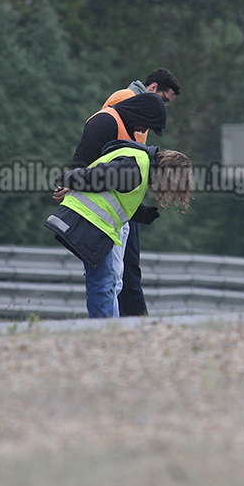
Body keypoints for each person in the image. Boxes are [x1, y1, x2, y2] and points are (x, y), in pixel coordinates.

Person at [55, 70, 182, 316]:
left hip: (109, 211)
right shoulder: (121, 103)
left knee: (117, 277)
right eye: (164, 100)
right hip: (97, 212)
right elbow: (101, 170)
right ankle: (116, 328)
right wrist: (71, 180)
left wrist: (137, 212)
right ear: (152, 89)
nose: (146, 129)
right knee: (107, 280)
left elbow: (119, 181)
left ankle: (122, 325)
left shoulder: (138, 124)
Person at [46, 140, 193, 318]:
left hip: (95, 224)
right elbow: (99, 176)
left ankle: (108, 327)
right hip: (88, 221)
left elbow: (113, 197)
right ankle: (105, 329)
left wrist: (141, 214)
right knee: (103, 283)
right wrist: (69, 179)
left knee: (107, 282)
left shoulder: (141, 167)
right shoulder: (137, 166)